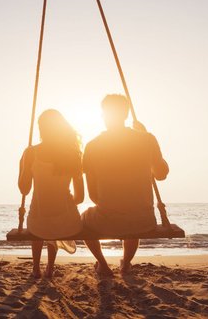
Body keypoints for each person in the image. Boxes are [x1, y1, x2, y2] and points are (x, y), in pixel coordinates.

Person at [82, 94, 169, 278]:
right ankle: (126, 263)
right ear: (126, 113)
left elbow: (93, 195)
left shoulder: (92, 146)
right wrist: (146, 135)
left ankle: (103, 264)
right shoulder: (147, 139)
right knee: (133, 212)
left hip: (109, 218)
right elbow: (161, 174)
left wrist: (113, 203)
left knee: (84, 221)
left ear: (104, 115)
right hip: (143, 220)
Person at [18, 109, 84, 278]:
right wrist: (64, 203)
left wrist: (23, 166)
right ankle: (50, 267)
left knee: (40, 217)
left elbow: (24, 189)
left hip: (38, 222)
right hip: (68, 222)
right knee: (54, 217)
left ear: (41, 128)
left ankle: (35, 268)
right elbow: (80, 197)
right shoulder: (72, 154)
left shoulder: (31, 153)